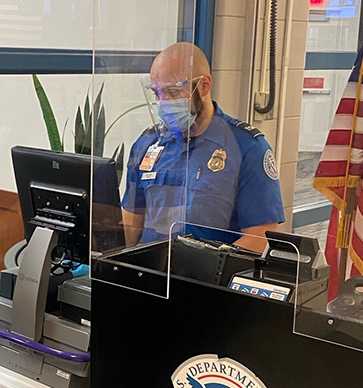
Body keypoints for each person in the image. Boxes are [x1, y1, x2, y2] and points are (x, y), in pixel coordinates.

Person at [122, 43, 285, 252]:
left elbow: (260, 236)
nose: (164, 103)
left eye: (173, 92)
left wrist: (204, 271)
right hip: (149, 275)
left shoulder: (247, 148)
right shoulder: (147, 144)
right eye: (157, 94)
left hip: (209, 277)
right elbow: (130, 225)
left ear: (204, 85)